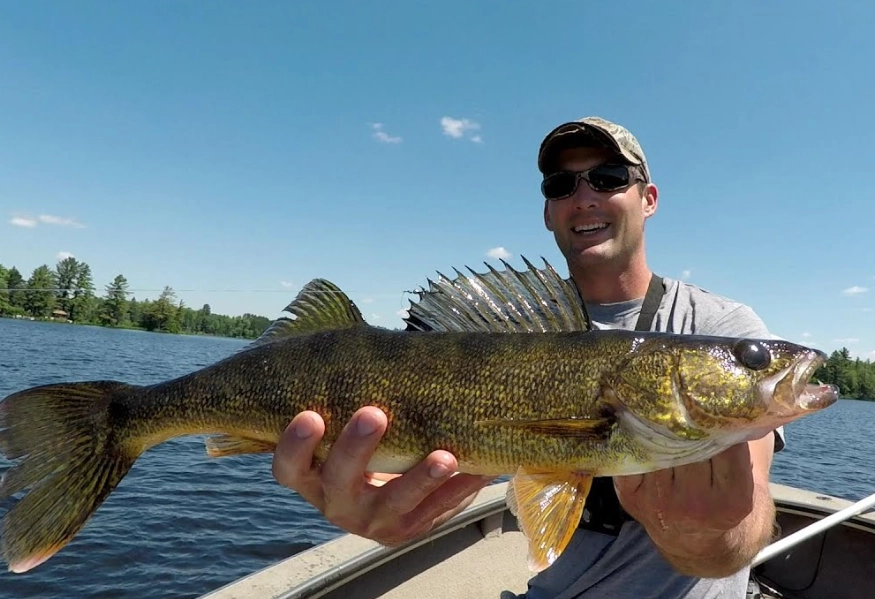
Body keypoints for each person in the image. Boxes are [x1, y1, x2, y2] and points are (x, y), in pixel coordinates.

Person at [270, 116, 785, 598]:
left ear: (648, 199)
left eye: (607, 178)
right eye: (561, 186)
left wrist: (710, 537)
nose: (583, 197)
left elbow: (744, 525)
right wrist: (383, 503)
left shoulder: (716, 328)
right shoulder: (516, 322)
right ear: (547, 212)